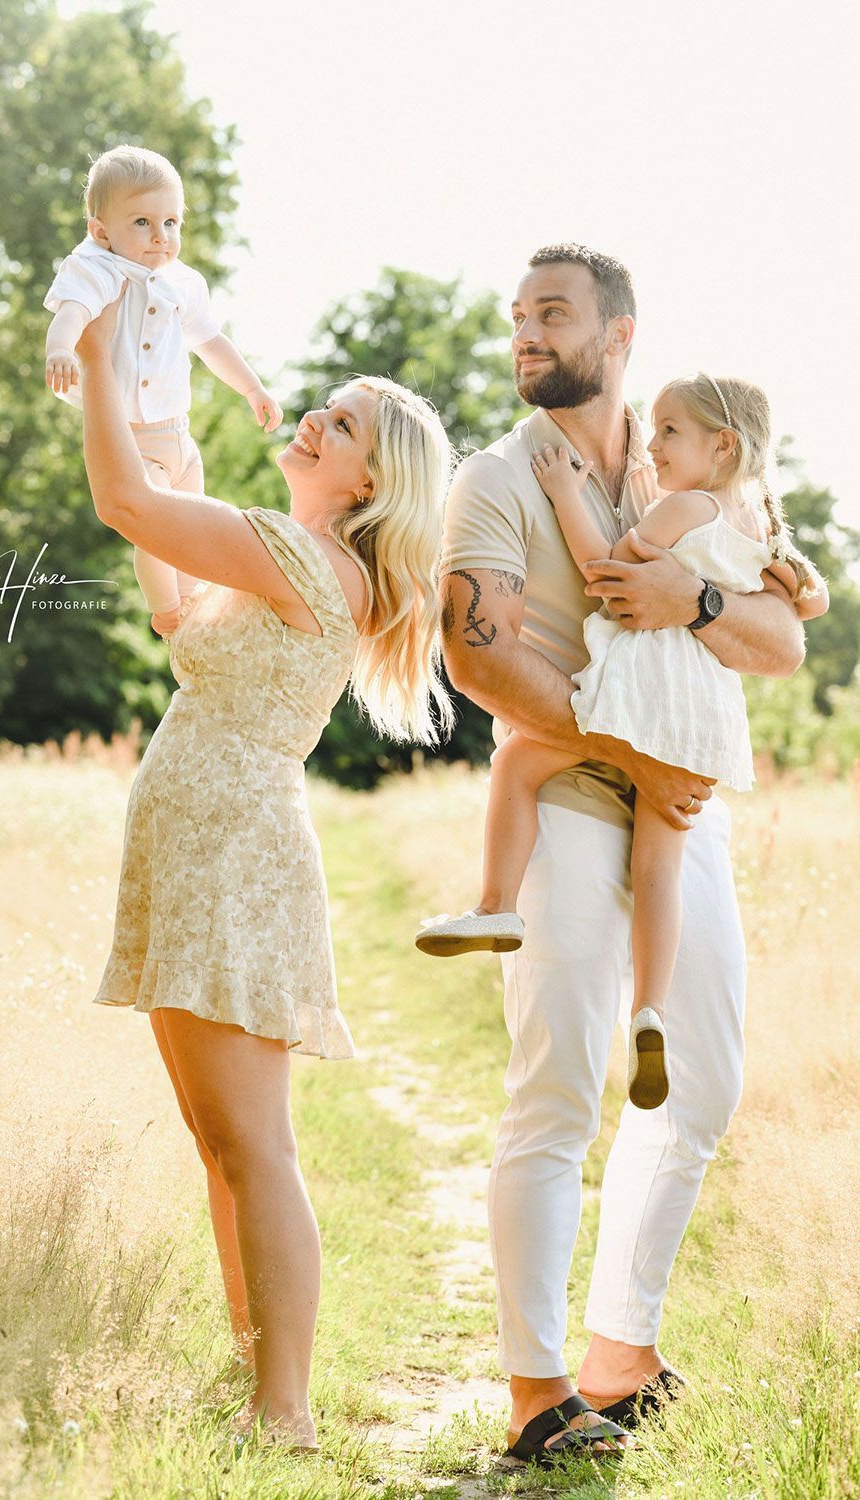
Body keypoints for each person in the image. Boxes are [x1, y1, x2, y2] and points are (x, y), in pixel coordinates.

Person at [437, 244, 822, 1471]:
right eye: (517, 315)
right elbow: (477, 656)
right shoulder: (498, 476)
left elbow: (779, 642)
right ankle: (535, 1390)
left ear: (618, 334)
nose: (526, 332)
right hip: (569, 798)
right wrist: (627, 750)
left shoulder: (688, 463)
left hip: (679, 808)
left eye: (552, 313)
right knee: (557, 1089)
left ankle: (619, 1352)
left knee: (700, 1081)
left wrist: (697, 605)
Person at [73, 289, 453, 1453]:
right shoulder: (288, 560)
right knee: (221, 1145)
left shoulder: (300, 554)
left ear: (369, 480)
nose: (314, 423)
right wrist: (174, 464)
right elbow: (175, 618)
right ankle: (256, 1387)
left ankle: (284, 1411)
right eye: (323, 411)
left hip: (232, 852)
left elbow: (121, 502)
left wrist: (95, 356)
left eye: (341, 425)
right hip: (200, 846)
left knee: (256, 1146)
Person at [418, 373, 826, 1113]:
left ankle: (495, 904)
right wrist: (792, 585)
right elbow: (807, 600)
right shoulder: (760, 519)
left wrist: (565, 493)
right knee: (659, 868)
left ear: (721, 446)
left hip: (640, 698)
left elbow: (608, 570)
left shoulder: (685, 506)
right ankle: (650, 1012)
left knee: (515, 761)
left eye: (671, 431)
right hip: (700, 717)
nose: (655, 443)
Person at [43, 143, 283, 636]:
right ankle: (165, 608)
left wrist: (253, 388)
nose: (160, 236)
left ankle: (192, 600)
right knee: (154, 524)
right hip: (133, 437)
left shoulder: (183, 282)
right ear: (100, 231)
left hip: (180, 434)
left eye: (171, 222)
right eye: (142, 222)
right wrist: (60, 350)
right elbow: (71, 313)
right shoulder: (97, 269)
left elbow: (211, 341)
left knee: (192, 527)